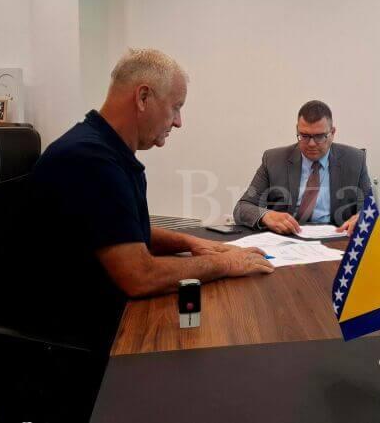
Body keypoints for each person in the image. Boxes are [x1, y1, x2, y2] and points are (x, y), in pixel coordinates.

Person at [27, 48, 274, 355]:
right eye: (176, 107)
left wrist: (192, 242)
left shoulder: (105, 151)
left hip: (100, 314)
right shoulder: (89, 160)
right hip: (75, 338)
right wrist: (224, 263)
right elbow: (139, 276)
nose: (178, 122)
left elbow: (123, 232)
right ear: (143, 97)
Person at [233, 100, 371, 236]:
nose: (311, 144)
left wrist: (363, 217)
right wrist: (266, 215)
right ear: (297, 130)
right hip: (286, 238)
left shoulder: (355, 160)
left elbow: (372, 210)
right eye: (304, 136)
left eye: (319, 136)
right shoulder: (273, 160)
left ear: (332, 132)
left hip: (335, 239)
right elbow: (242, 208)